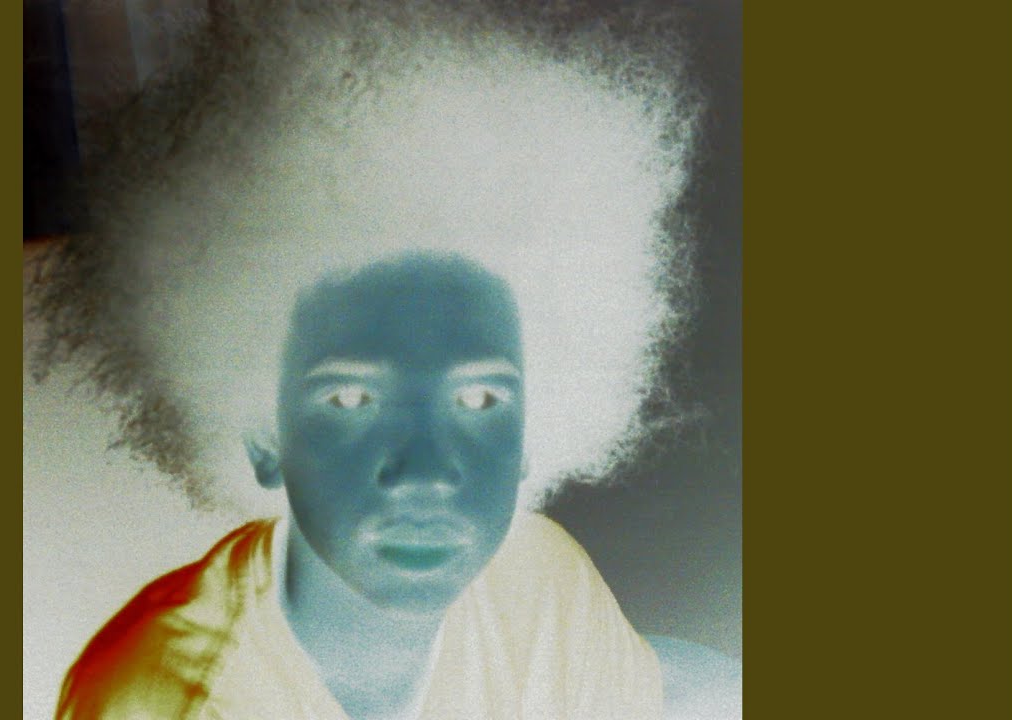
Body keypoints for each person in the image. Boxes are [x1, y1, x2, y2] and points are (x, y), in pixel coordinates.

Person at [55, 253, 663, 719]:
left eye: (480, 399)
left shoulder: (550, 587)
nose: (423, 469)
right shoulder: (160, 702)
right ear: (265, 437)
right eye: (350, 399)